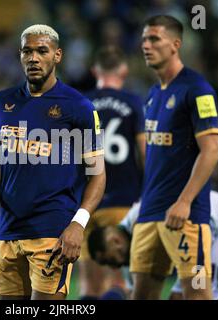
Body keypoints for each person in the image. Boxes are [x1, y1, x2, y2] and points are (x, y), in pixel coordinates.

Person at [0, 24, 106, 300]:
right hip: (8, 233)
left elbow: (98, 175)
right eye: (27, 51)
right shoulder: (0, 103)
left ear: (57, 55)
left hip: (52, 234)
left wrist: (78, 224)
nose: (34, 58)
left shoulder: (79, 107)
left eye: (42, 51)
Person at [131, 15, 218, 300]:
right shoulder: (153, 93)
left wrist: (184, 201)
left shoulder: (197, 89)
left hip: (185, 218)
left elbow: (212, 150)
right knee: (141, 295)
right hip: (149, 215)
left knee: (197, 295)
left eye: (155, 38)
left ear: (176, 44)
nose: (146, 45)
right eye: (145, 39)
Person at [88, 191, 218, 300]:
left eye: (109, 260)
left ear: (115, 241)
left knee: (191, 295)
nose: (113, 266)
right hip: (212, 227)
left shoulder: (143, 219)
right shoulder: (129, 250)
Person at [78, 46, 145, 300]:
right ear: (124, 71)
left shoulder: (81, 103)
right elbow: (144, 152)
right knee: (121, 283)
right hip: (124, 202)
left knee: (89, 286)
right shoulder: (133, 102)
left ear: (95, 71)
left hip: (85, 204)